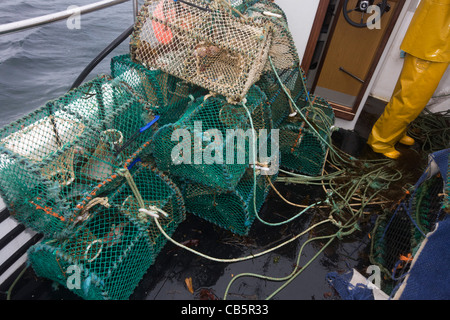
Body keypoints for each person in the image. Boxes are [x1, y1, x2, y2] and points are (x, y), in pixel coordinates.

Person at [367, 0, 450, 159]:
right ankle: (381, 142)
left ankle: (394, 133)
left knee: (406, 95)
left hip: (433, 41)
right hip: (433, 45)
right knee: (410, 100)